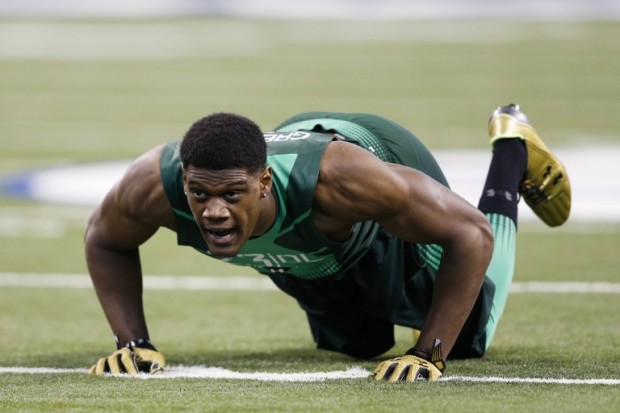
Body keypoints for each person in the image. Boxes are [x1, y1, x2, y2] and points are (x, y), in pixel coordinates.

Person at [85, 104, 571, 382]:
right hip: (316, 253)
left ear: (263, 184)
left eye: (231, 194)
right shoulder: (153, 186)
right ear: (183, 181)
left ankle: (512, 147)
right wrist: (134, 343)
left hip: (374, 176)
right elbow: (104, 239)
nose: (213, 211)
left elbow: (470, 232)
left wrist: (429, 353)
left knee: (467, 336)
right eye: (199, 194)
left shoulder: (339, 182)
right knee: (363, 347)